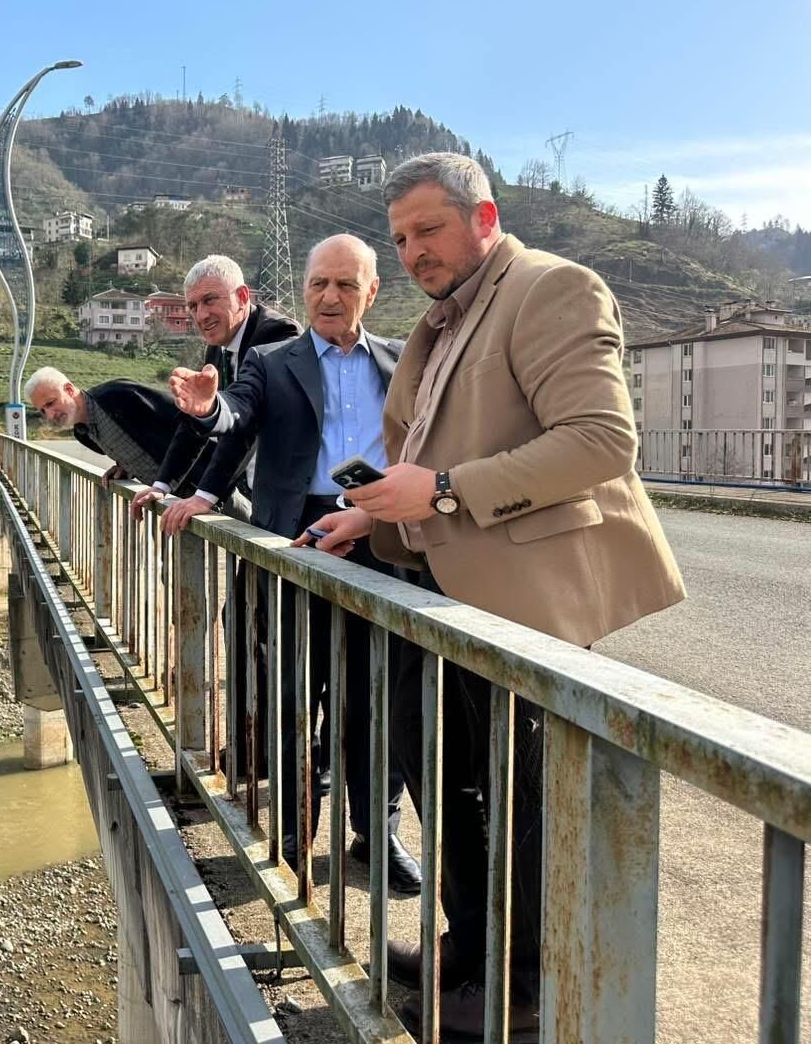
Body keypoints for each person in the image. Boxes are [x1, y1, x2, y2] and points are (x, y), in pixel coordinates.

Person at [295, 154, 684, 1040]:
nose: (413, 252)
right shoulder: (442, 322)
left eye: (428, 229)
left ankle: (526, 990)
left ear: (484, 217)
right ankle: (474, 947)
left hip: (522, 603)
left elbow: (600, 440)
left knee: (515, 800)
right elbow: (434, 456)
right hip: (446, 594)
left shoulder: (552, 288)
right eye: (400, 239)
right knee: (442, 772)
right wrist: (374, 515)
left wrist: (439, 492)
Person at [166, 234, 420, 890]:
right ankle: (290, 830)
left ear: (371, 291)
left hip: (381, 536)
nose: (329, 297)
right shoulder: (272, 360)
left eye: (345, 284)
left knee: (378, 698)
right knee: (291, 692)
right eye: (317, 284)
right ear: (304, 291)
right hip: (298, 539)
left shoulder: (402, 360)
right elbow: (237, 414)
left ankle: (377, 832)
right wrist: (209, 408)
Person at [130, 254, 301, 525]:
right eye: (193, 306)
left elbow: (247, 421)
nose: (201, 315)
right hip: (256, 491)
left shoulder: (278, 335)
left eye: (210, 300)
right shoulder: (218, 347)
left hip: (295, 498)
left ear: (242, 297)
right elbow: (194, 423)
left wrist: (204, 496)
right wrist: (161, 486)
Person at [24, 367, 214, 493]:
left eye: (51, 403)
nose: (50, 415)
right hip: (173, 503)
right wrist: (125, 466)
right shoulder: (83, 434)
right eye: (43, 410)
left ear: (69, 389)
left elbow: (186, 416)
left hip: (210, 484)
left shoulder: (118, 395)